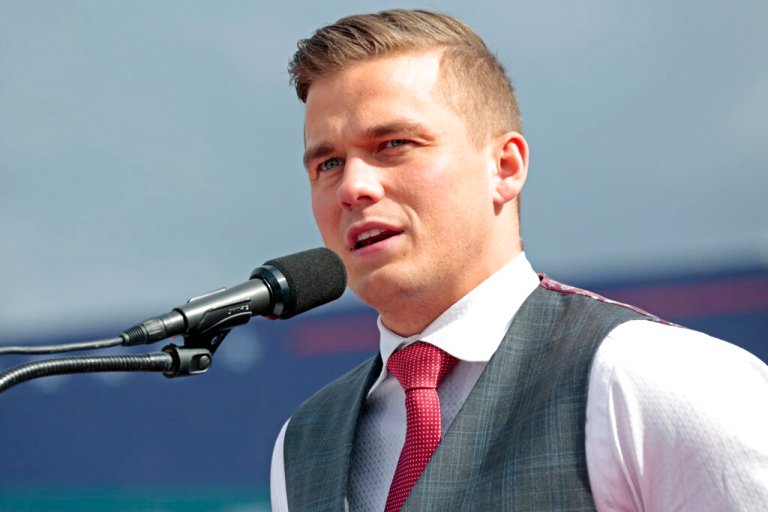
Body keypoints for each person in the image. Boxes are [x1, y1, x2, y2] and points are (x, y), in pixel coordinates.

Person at [270, 9, 768, 511]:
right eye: (328, 163)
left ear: (504, 167)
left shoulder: (649, 377)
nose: (354, 187)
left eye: (394, 144)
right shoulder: (303, 442)